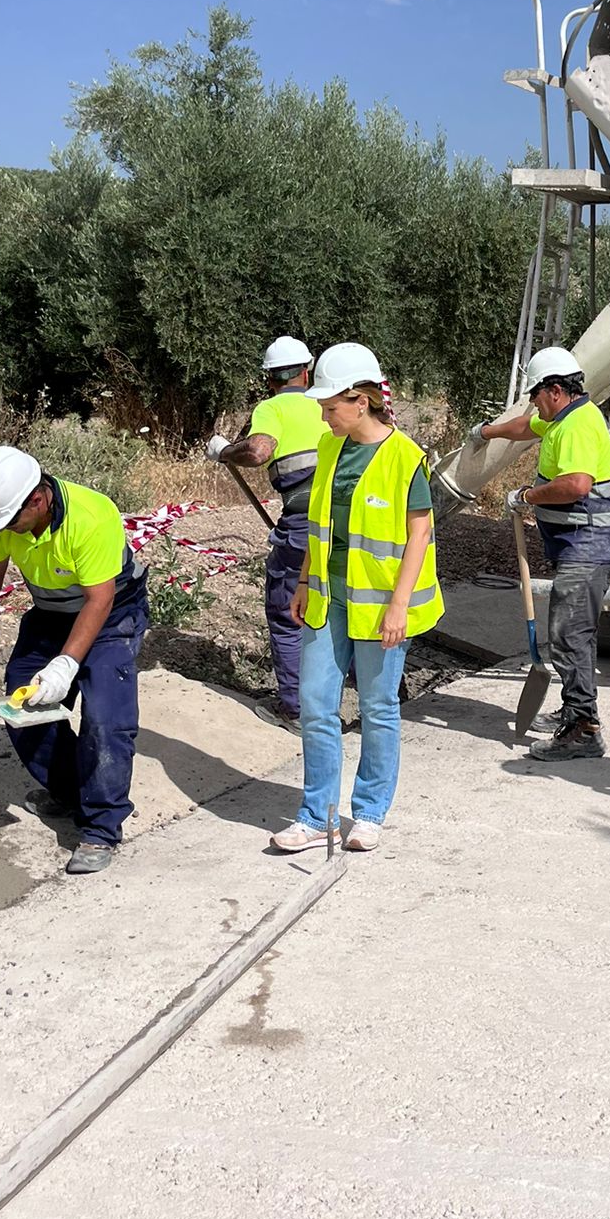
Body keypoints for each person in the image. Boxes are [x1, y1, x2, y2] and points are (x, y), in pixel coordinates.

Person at [272, 343, 444, 855]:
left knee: (377, 705)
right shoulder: (331, 449)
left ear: (360, 401)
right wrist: (303, 582)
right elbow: (318, 527)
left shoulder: (405, 457)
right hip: (329, 598)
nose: (324, 416)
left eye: (330, 407)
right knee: (316, 705)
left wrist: (398, 607)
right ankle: (317, 815)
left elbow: (419, 537)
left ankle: (368, 813)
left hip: (382, 608)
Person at [0, 446, 150, 875]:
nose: (5, 530)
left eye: (10, 522)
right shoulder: (9, 513)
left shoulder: (91, 516)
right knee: (22, 703)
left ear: (39, 501)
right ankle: (70, 789)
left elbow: (99, 601)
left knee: (106, 717)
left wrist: (65, 665)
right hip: (50, 613)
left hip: (113, 612)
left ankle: (101, 827)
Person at [476, 345, 610, 762]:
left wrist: (526, 495)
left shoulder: (577, 426)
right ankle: (574, 707)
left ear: (556, 390)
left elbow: (577, 485)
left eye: (536, 394)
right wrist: (487, 432)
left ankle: (583, 729)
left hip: (588, 546)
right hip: (583, 543)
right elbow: (528, 426)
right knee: (574, 631)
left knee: (568, 634)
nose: (533, 403)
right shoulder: (565, 417)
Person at [208, 335, 329, 729]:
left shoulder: (272, 407)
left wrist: (225, 451)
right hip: (345, 520)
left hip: (302, 526)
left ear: (269, 379)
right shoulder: (331, 403)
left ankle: (295, 709)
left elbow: (259, 452)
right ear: (307, 371)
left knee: (286, 611)